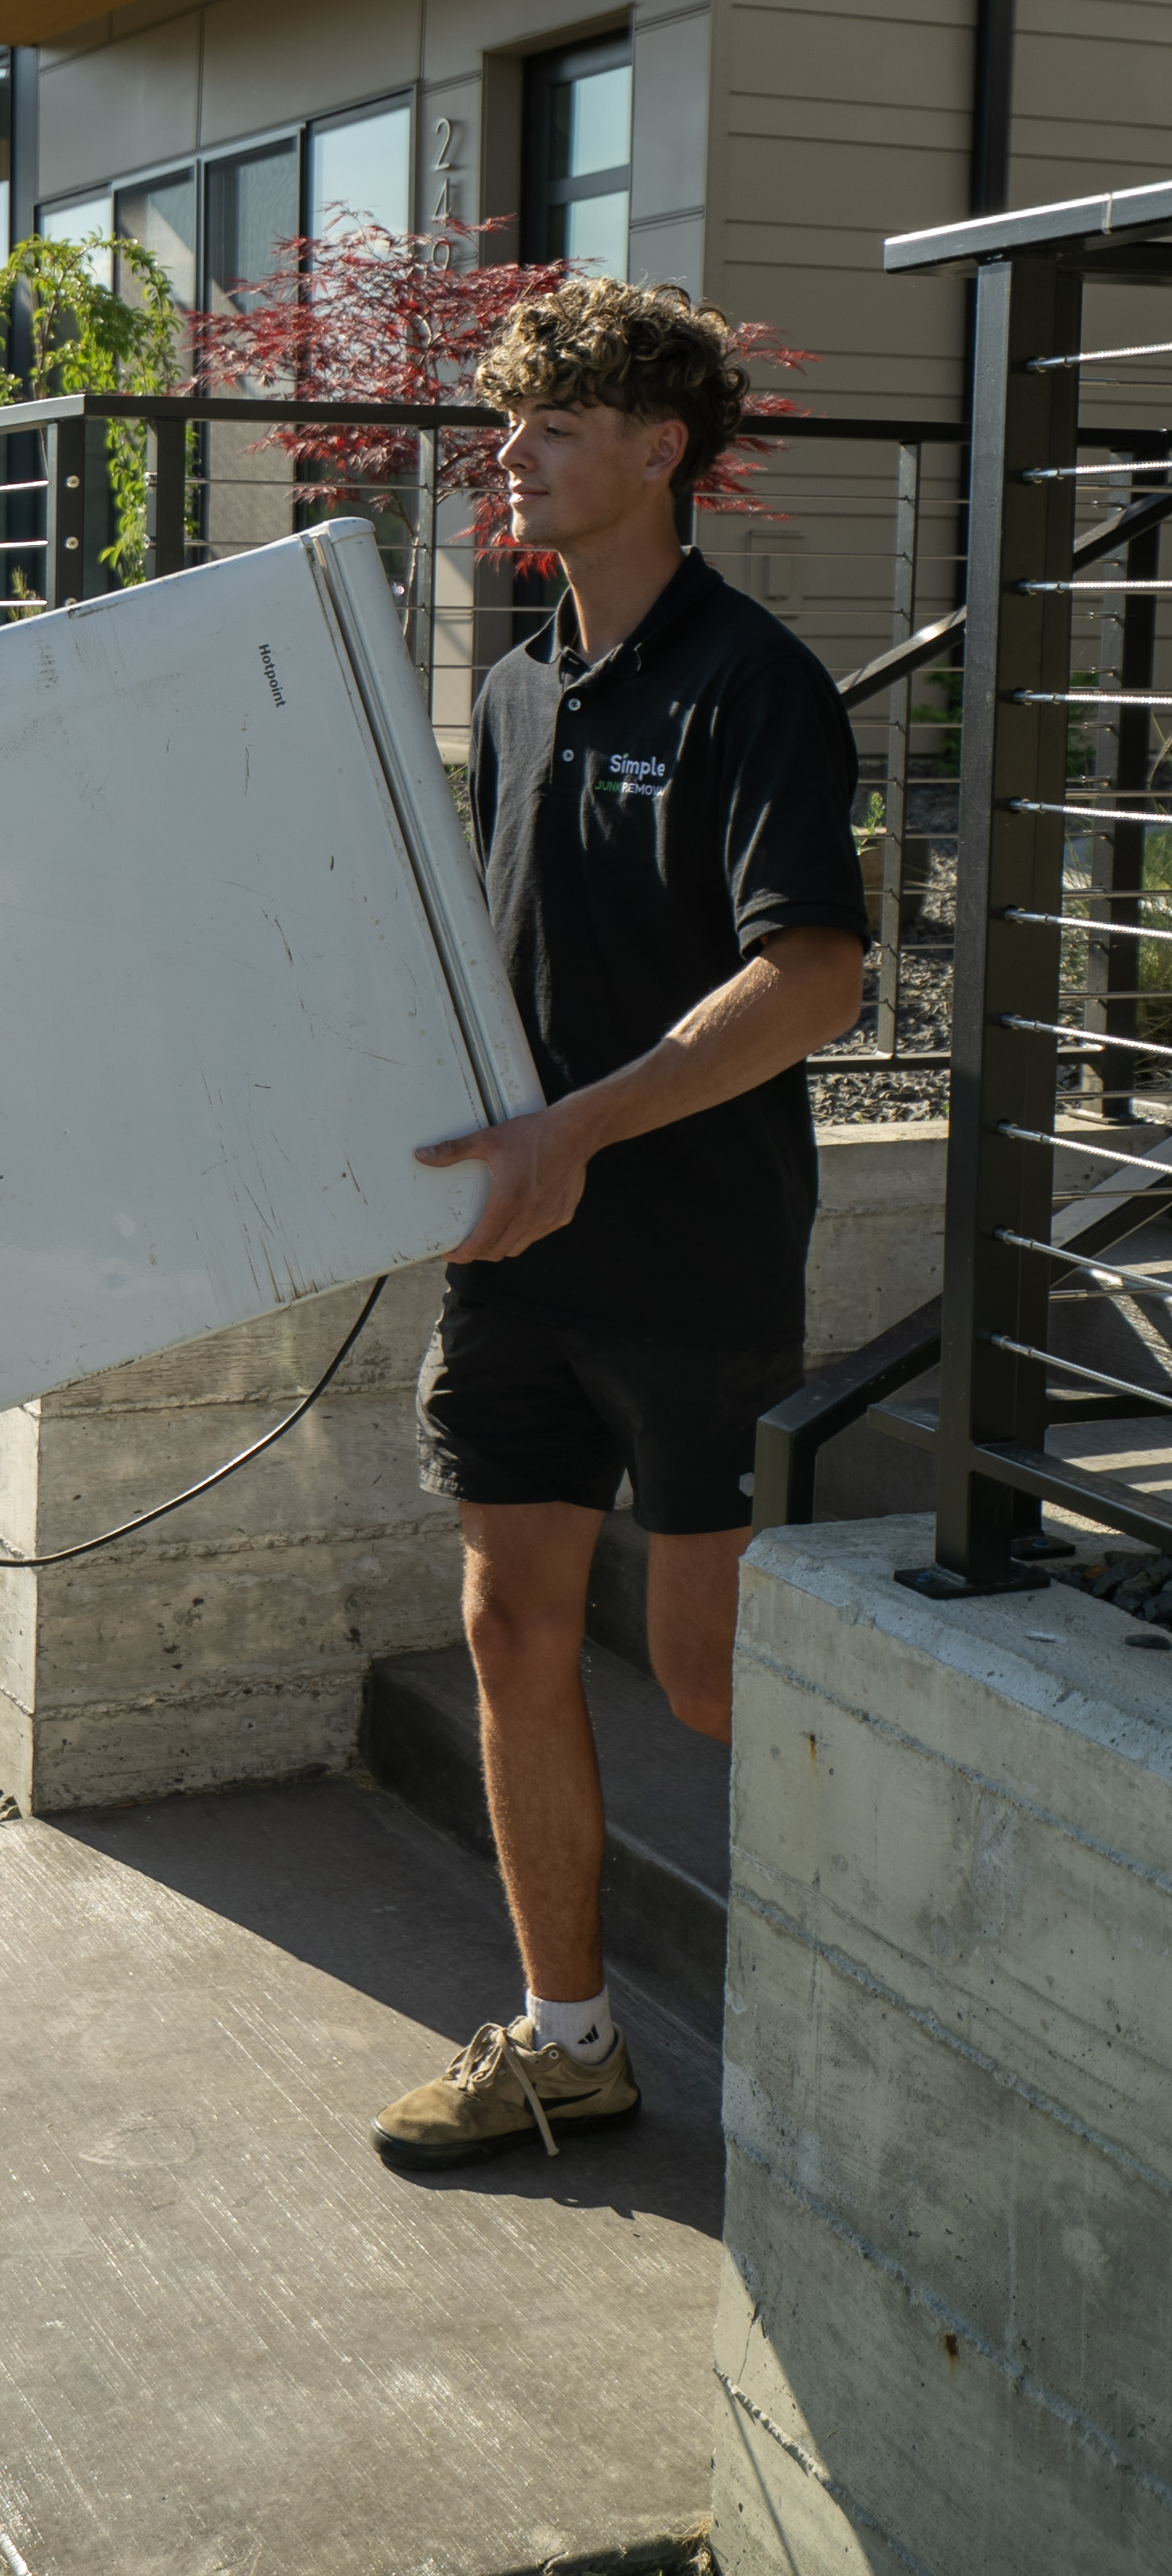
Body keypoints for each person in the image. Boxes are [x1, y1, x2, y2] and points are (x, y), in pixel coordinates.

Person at [372, 279, 866, 2171]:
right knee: (508, 1626)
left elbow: (810, 977)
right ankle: (569, 2038)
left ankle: (864, 2031)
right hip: (519, 1251)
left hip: (691, 1259)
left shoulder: (755, 683)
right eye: (510, 427)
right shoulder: (513, 681)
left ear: (663, 451)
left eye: (551, 429)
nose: (509, 458)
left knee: (708, 1673)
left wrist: (579, 1127)